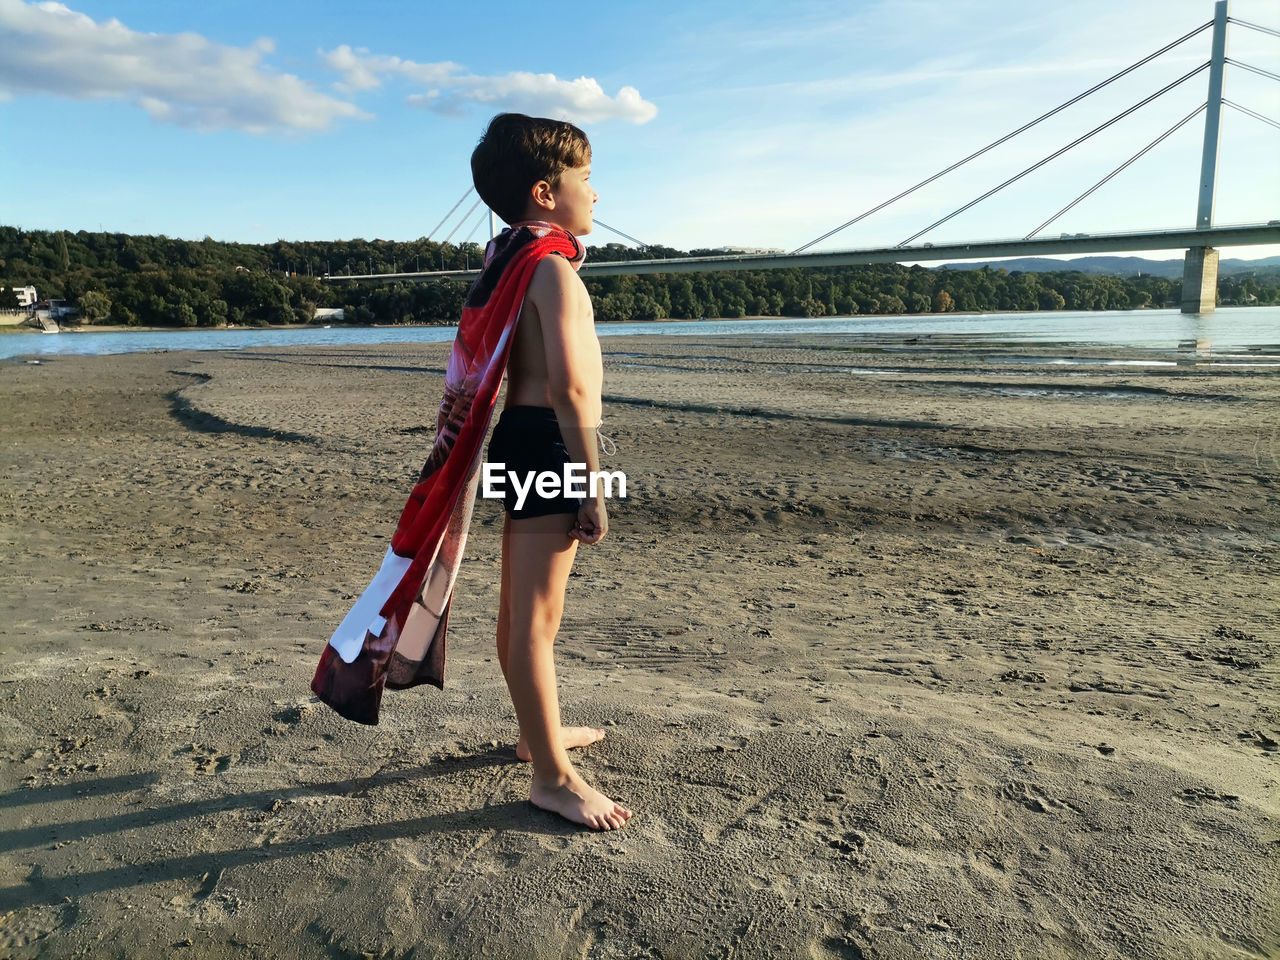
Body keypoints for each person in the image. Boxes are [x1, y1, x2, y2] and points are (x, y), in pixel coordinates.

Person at [473, 114, 633, 831]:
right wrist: (592, 482)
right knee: (535, 622)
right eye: (586, 180)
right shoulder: (554, 270)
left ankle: (538, 732)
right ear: (546, 191)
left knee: (520, 612)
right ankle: (551, 776)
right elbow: (572, 390)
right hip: (549, 442)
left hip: (516, 438)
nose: (596, 195)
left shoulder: (508, 258)